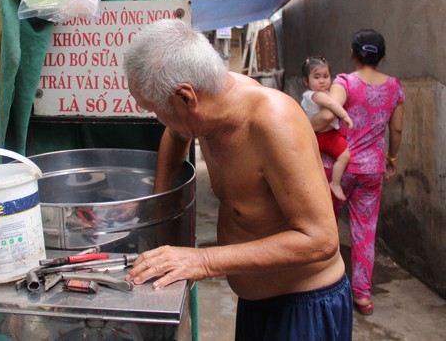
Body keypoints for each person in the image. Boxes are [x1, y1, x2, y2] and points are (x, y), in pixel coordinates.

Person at [123, 19, 353, 340]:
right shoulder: (208, 101)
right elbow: (175, 132)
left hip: (302, 308)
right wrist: (157, 206)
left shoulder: (272, 121)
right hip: (255, 301)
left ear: (186, 98)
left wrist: (203, 260)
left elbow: (321, 240)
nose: (158, 119)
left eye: (155, 110)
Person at [310, 29, 404, 316]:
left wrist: (303, 125)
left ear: (352, 54)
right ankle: (362, 296)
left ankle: (322, 286)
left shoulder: (345, 82)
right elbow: (396, 129)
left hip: (337, 164)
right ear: (381, 56)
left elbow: (327, 115)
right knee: (364, 233)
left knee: (325, 225)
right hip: (371, 170)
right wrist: (392, 157)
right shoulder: (395, 87)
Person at [301, 56, 354, 201]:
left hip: (321, 136)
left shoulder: (316, 94)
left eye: (326, 76)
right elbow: (332, 105)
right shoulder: (316, 95)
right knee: (344, 157)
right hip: (323, 136)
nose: (322, 80)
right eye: (316, 77)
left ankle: (330, 184)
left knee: (314, 165)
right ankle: (335, 183)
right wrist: (346, 117)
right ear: (306, 81)